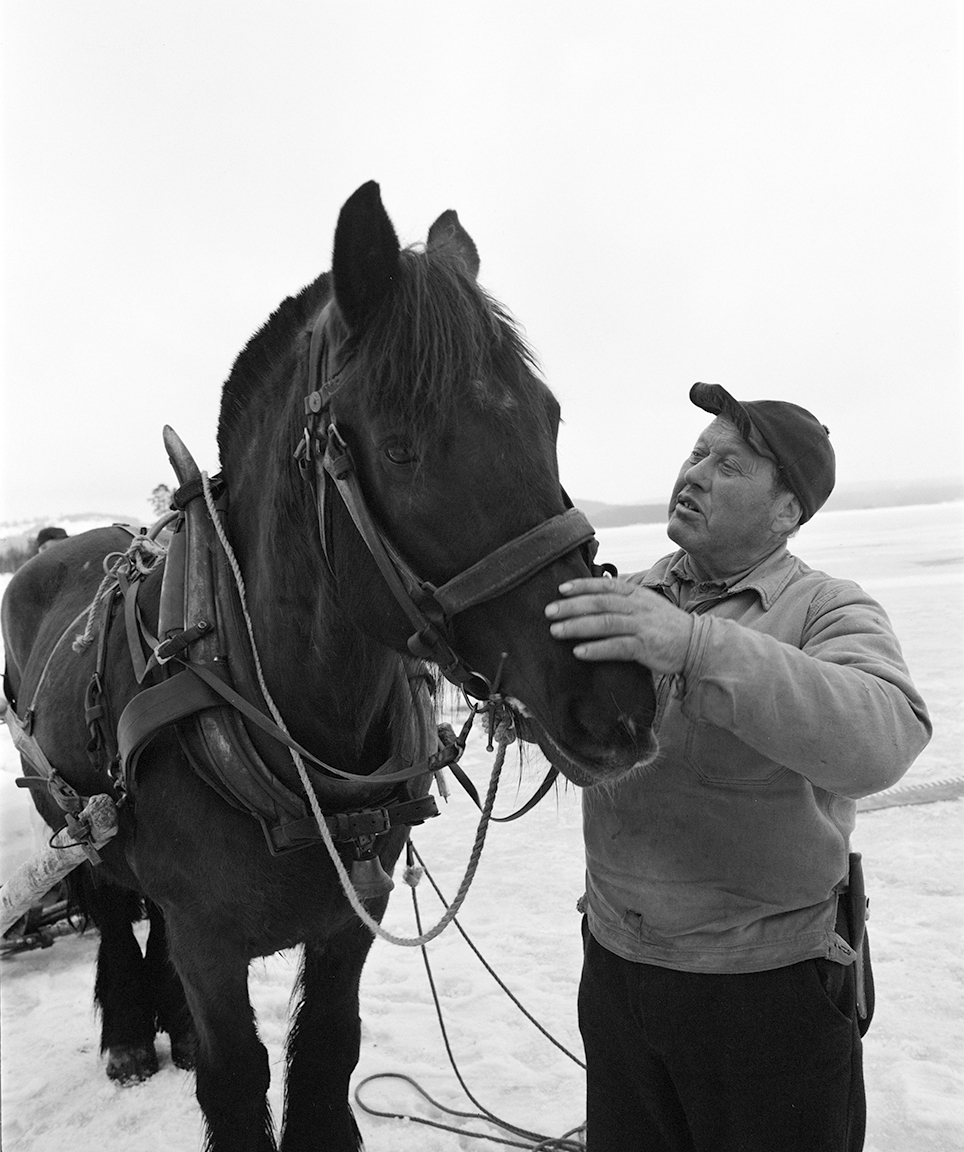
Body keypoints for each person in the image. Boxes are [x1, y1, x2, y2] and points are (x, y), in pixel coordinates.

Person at [545, 382, 931, 1152]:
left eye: (730, 465)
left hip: (769, 991)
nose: (694, 474)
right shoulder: (626, 596)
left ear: (787, 512)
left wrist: (694, 647)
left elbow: (886, 738)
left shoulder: (827, 609)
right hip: (619, 971)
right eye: (696, 453)